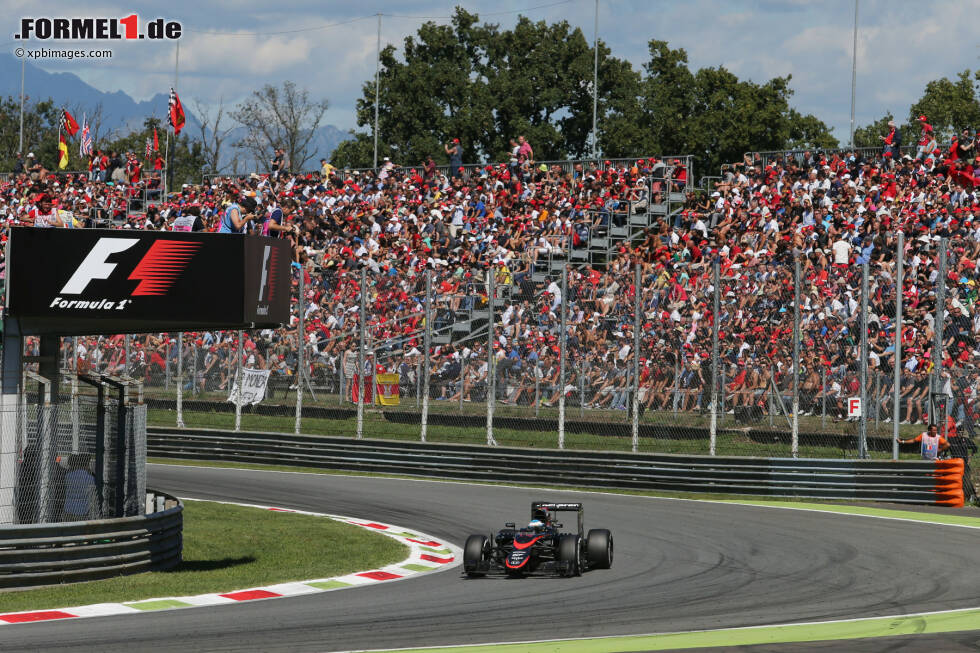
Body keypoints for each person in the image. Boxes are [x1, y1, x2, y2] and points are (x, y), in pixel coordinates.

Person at [62, 453, 96, 521]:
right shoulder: (91, 478)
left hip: (68, 508)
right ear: (87, 464)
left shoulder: (68, 476)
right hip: (83, 511)